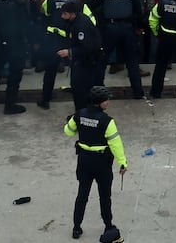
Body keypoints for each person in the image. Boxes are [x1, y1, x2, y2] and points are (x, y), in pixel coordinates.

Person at [64, 86, 127, 242]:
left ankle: (76, 227)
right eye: (107, 100)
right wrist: (122, 163)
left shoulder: (79, 115)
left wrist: (72, 122)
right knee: (105, 196)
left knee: (82, 194)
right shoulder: (107, 121)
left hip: (84, 161)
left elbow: (68, 131)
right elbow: (115, 144)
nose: (109, 102)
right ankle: (108, 225)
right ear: (100, 103)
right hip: (101, 163)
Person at [38, 0, 96, 109]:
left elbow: (44, 15)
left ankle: (45, 100)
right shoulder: (79, 3)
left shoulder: (49, 1)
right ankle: (81, 101)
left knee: (50, 70)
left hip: (53, 40)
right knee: (76, 71)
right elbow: (92, 21)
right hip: (72, 41)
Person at [91, 0, 145, 99]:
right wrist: (139, 27)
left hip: (109, 28)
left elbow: (91, 8)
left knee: (102, 61)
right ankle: (138, 92)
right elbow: (138, 10)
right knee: (132, 61)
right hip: (127, 28)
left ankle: (98, 92)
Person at [59, 0, 102, 110]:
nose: (62, 16)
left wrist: (70, 52)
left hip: (87, 62)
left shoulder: (81, 25)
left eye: (65, 14)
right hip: (81, 61)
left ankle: (82, 114)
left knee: (80, 89)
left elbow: (87, 47)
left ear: (72, 13)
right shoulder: (75, 21)